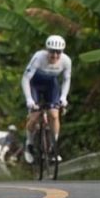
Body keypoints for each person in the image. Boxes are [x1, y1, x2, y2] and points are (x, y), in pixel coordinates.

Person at [21, 35, 72, 164]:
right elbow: (26, 79)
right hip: (35, 85)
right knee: (34, 117)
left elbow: (66, 80)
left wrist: (63, 97)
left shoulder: (66, 61)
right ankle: (29, 143)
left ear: (62, 52)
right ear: (47, 50)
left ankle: (52, 149)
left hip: (51, 85)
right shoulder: (38, 57)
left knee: (54, 115)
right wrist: (29, 99)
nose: (54, 55)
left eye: (58, 52)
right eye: (52, 51)